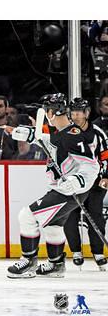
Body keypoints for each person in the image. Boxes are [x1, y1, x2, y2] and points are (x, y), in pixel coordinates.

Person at [6, 93, 100, 278]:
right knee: (53, 226)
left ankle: (28, 262)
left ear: (50, 112)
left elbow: (92, 165)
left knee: (27, 216)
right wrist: (28, 134)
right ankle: (56, 265)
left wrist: (77, 181)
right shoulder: (63, 132)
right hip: (65, 189)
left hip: (70, 191)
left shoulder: (72, 135)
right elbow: (50, 143)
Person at [64, 97, 108, 270]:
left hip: (95, 182)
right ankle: (76, 251)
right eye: (73, 111)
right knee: (70, 216)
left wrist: (105, 176)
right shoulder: (65, 132)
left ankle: (98, 252)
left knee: (96, 217)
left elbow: (105, 156)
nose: (75, 115)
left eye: (79, 112)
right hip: (74, 182)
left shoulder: (98, 133)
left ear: (87, 113)